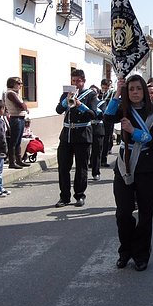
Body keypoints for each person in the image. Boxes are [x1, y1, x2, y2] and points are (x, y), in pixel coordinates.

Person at [104, 74, 153, 271]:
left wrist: (133, 131)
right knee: (122, 213)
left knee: (146, 215)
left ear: (144, 91)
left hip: (146, 167)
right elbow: (106, 118)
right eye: (131, 89)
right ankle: (125, 250)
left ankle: (141, 255)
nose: (135, 92)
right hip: (124, 166)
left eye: (138, 89)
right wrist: (117, 93)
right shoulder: (123, 109)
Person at [54, 69, 98, 208]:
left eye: (78, 81)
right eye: (73, 81)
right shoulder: (65, 94)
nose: (76, 83)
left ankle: (79, 195)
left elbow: (93, 114)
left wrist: (80, 105)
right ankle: (64, 197)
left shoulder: (91, 95)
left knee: (81, 167)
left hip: (83, 134)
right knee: (63, 167)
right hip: (66, 135)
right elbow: (58, 110)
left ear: (83, 81)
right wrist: (66, 101)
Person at [4, 77, 30, 170]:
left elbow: (23, 106)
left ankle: (19, 159)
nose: (20, 85)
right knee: (14, 141)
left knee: (19, 140)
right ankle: (12, 161)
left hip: (20, 117)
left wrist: (24, 107)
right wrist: (24, 106)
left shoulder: (16, 93)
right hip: (16, 118)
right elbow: (21, 105)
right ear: (12, 84)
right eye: (18, 83)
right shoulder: (11, 93)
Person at [89, 87, 105, 181]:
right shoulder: (86, 102)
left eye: (94, 92)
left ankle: (96, 172)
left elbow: (103, 115)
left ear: (98, 94)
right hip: (88, 128)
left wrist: (95, 108)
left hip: (98, 128)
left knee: (96, 152)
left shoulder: (102, 103)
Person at [100, 78, 114, 167]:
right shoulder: (98, 94)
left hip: (108, 119)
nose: (104, 89)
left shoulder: (113, 94)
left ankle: (103, 159)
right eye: (103, 87)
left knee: (106, 139)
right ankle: (93, 160)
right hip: (99, 119)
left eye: (106, 88)